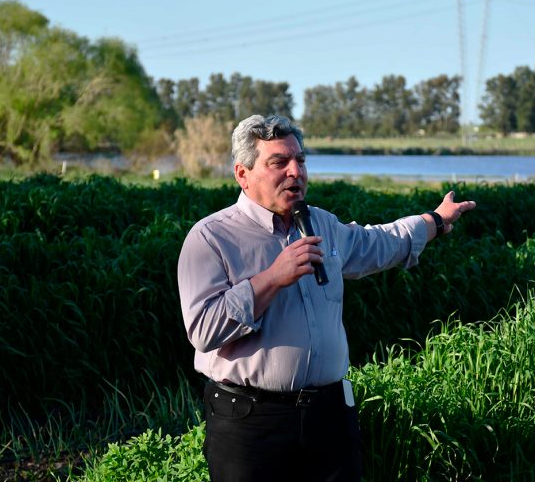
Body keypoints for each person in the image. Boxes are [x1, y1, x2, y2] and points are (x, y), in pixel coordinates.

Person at [177, 114, 476, 482]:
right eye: (279, 162)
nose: (295, 172)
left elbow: (377, 243)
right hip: (250, 422)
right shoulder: (210, 238)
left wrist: (436, 220)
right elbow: (204, 330)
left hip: (329, 417)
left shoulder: (320, 224)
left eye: (300, 160)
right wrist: (272, 278)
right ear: (243, 174)